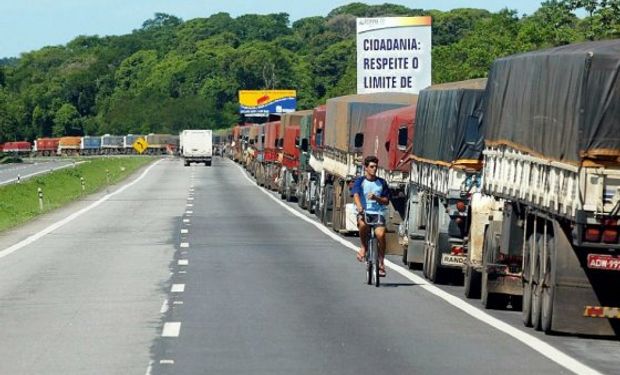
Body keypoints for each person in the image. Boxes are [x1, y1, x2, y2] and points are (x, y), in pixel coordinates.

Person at [352, 155, 390, 276]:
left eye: (376, 167)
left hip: (378, 213)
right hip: (365, 212)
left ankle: (381, 262)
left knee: (380, 234)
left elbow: (386, 200)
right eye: (372, 167)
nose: (374, 169)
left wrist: (376, 198)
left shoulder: (381, 183)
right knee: (363, 225)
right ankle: (363, 247)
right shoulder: (360, 181)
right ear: (366, 168)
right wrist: (359, 206)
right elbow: (356, 194)